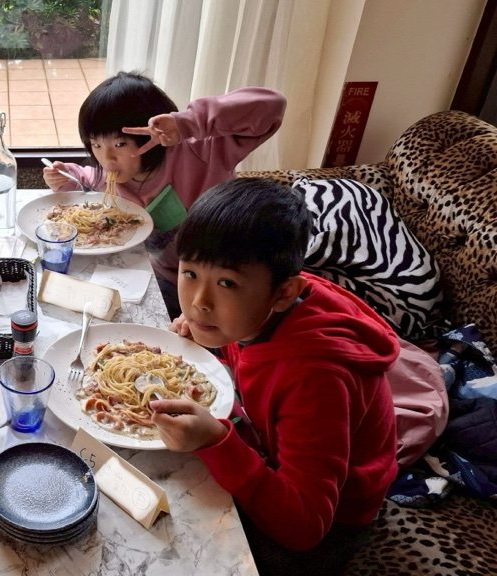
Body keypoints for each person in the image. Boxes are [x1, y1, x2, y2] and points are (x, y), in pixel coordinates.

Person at [153, 178, 398, 576]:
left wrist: (216, 442)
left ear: (284, 293)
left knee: (176, 534)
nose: (199, 302)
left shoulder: (316, 379)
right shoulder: (259, 309)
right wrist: (210, 336)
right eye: (190, 272)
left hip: (330, 525)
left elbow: (305, 527)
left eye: (227, 283)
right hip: (271, 450)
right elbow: (248, 350)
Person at [42, 72, 286, 318]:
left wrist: (189, 122)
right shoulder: (109, 176)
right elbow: (86, 180)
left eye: (120, 144)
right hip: (162, 277)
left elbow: (272, 105)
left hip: (225, 283)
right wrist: (65, 177)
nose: (107, 159)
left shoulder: (202, 152)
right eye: (96, 145)